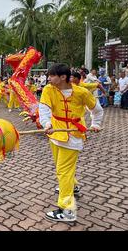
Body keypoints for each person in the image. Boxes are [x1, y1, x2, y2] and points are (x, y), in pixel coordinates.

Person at [39, 64, 103, 222]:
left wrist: (95, 124)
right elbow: (44, 109)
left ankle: (67, 211)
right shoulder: (48, 89)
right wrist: (46, 124)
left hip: (73, 136)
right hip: (55, 134)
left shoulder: (81, 92)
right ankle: (72, 187)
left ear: (62, 77)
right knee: (61, 168)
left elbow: (97, 110)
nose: (48, 78)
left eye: (51, 75)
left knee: (63, 172)